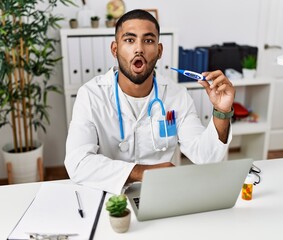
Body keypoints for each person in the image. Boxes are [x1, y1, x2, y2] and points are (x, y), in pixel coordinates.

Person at [65, 9, 235, 194]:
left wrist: (221, 111)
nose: (139, 48)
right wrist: (141, 172)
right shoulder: (91, 95)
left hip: (162, 192)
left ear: (159, 51)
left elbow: (205, 157)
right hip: (107, 193)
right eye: (130, 40)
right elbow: (78, 163)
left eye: (148, 40)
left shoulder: (177, 96)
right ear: (115, 49)